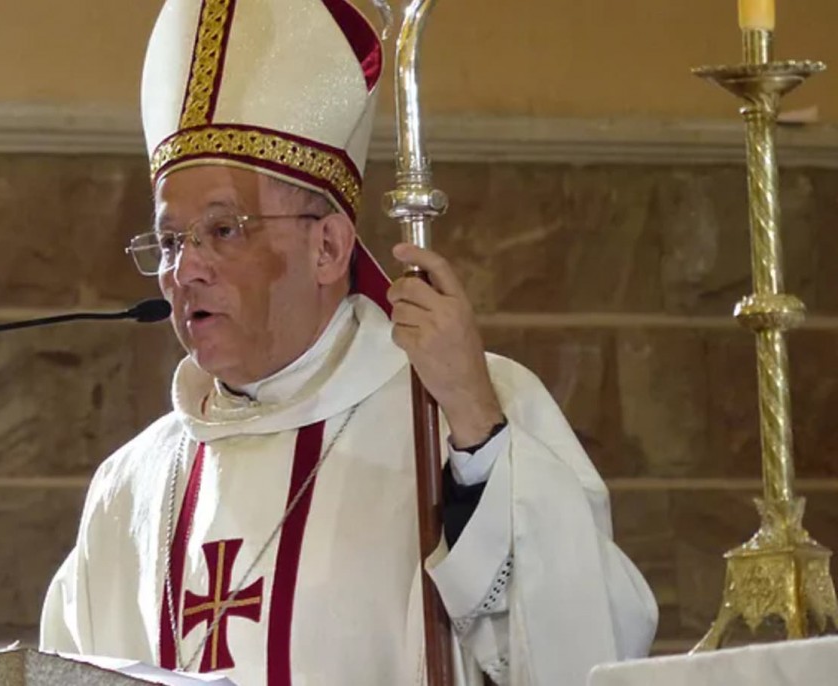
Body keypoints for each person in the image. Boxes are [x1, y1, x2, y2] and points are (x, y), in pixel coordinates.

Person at [39, 0, 659, 684]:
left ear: (329, 247)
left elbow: (586, 648)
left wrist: (479, 437)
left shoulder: (458, 411)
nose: (185, 269)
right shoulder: (130, 487)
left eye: (223, 230)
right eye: (168, 241)